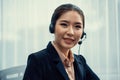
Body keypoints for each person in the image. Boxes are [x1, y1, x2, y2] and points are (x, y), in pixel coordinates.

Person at [23, 3, 100, 80]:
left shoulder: (80, 61)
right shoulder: (38, 60)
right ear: (53, 27)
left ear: (82, 33)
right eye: (64, 24)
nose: (71, 32)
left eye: (77, 26)